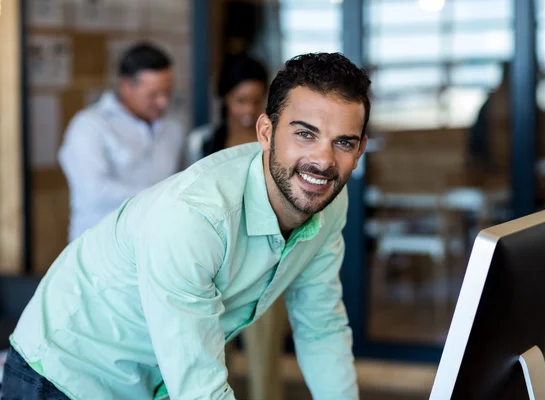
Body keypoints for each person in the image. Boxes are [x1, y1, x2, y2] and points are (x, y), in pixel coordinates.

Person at [5, 52, 371, 399]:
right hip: (63, 369)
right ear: (265, 132)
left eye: (343, 142)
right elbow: (199, 389)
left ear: (360, 149)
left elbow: (320, 326)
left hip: (151, 379)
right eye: (305, 134)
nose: (323, 160)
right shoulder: (196, 218)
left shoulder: (329, 202)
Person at [189, 53, 286, 400]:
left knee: (265, 371)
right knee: (210, 366)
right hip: (212, 270)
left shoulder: (277, 145)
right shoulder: (201, 143)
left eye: (256, 100)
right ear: (224, 99)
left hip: (262, 268)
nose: (248, 109)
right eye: (239, 100)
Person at [58, 42, 185, 242]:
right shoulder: (90, 126)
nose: (163, 102)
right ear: (126, 86)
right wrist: (166, 195)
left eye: (168, 93)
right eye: (153, 95)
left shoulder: (173, 128)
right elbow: (94, 193)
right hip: (100, 251)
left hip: (155, 246)